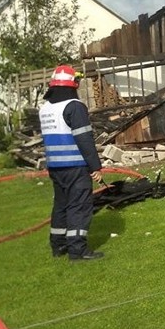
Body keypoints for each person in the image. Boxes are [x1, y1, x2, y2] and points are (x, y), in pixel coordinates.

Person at [40, 65, 105, 261]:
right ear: (73, 84)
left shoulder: (46, 108)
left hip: (55, 167)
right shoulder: (74, 106)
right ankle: (78, 250)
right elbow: (84, 139)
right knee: (79, 206)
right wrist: (95, 167)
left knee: (61, 205)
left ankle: (58, 245)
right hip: (75, 166)